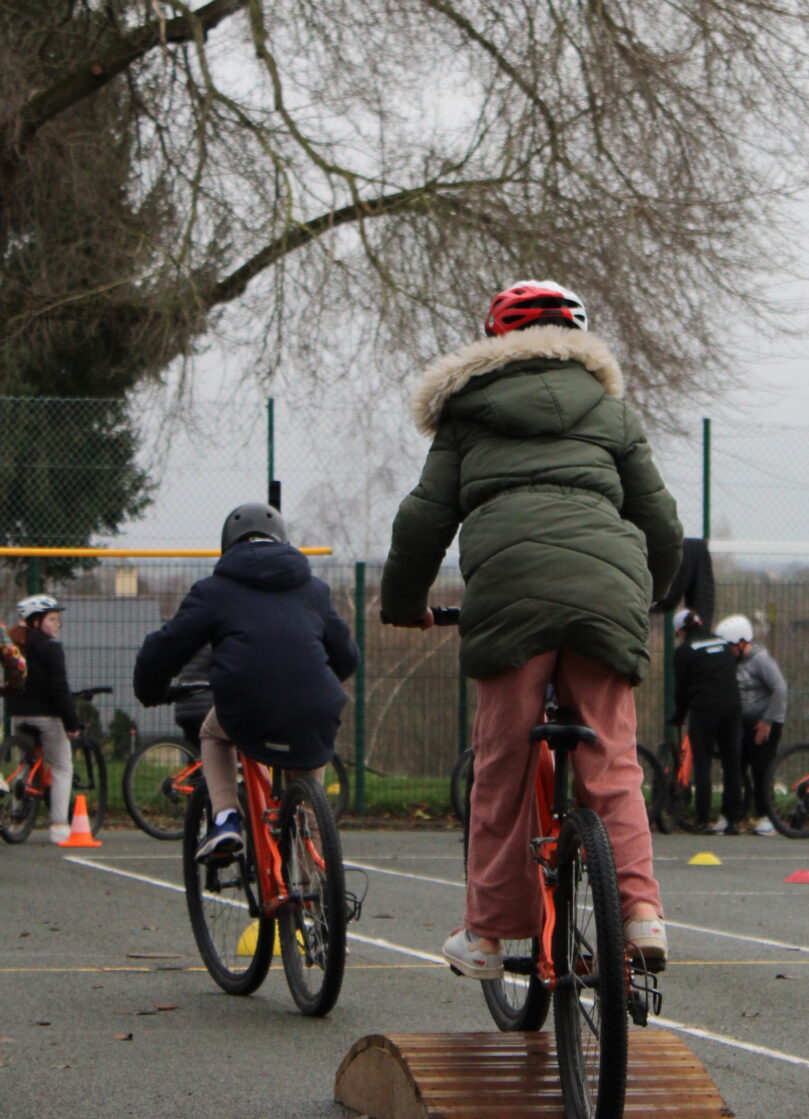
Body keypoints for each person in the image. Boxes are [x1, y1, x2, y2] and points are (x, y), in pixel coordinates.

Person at [381, 280, 683, 978]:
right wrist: (646, 597)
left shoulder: (466, 418)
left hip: (509, 595)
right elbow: (661, 522)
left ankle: (487, 935)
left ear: (494, 341)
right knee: (611, 762)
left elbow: (422, 519)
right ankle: (641, 913)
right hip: (608, 587)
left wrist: (403, 603)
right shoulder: (612, 413)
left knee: (502, 765)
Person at [134, 503, 359, 862]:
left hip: (248, 706)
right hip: (314, 703)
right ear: (282, 541)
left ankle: (225, 818)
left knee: (213, 732)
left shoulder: (215, 590)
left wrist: (150, 690)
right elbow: (347, 657)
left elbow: (165, 648)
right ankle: (319, 872)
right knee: (308, 774)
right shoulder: (313, 589)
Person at [8, 595, 79, 843]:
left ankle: (16, 818)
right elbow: (59, 689)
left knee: (24, 765)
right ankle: (59, 826)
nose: (57, 624)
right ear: (36, 622)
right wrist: (72, 723)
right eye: (52, 619)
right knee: (61, 766)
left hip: (17, 714)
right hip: (46, 716)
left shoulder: (16, 646)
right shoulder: (50, 648)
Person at [672, 608, 745, 834]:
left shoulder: (684, 651)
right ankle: (732, 820)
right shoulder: (723, 645)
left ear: (680, 630)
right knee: (732, 765)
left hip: (704, 710)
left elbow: (682, 689)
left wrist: (679, 715)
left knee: (703, 764)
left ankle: (703, 820)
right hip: (732, 708)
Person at [714, 614, 787, 835]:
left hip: (764, 724)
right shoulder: (732, 662)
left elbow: (780, 689)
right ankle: (731, 815)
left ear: (742, 642)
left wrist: (767, 722)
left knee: (761, 769)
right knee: (734, 769)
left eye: (729, 647)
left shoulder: (761, 661)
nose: (727, 652)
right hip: (741, 724)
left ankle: (767, 816)